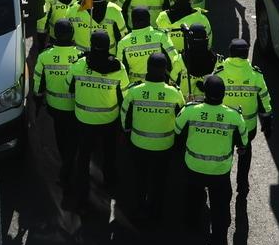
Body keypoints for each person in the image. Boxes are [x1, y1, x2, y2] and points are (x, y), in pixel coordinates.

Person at [175, 74, 248, 245]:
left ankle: (192, 225)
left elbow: (177, 131)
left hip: (193, 167)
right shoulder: (235, 117)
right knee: (220, 208)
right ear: (224, 94)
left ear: (204, 92)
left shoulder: (190, 111)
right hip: (220, 172)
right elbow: (243, 145)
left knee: (192, 198)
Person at [65, 29, 128, 210]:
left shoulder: (78, 65)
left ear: (91, 45)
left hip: (84, 120)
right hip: (109, 120)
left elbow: (69, 87)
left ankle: (82, 198)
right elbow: (124, 95)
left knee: (83, 159)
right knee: (109, 153)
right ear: (109, 46)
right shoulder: (118, 67)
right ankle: (109, 181)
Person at [120, 51, 184, 221]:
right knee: (159, 181)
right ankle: (156, 213)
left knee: (140, 179)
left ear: (147, 68)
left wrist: (127, 134)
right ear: (165, 70)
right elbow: (181, 121)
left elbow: (124, 115)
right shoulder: (174, 93)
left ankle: (138, 210)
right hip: (164, 146)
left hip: (138, 144)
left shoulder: (134, 91)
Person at [213, 38, 272, 198]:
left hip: (224, 126)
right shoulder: (255, 75)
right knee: (245, 154)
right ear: (246, 54)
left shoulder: (219, 72)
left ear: (230, 53)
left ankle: (223, 184)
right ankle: (243, 184)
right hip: (248, 127)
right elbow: (265, 99)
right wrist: (267, 121)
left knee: (224, 154)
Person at [33, 18, 83, 185]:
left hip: (55, 108)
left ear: (55, 34)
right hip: (76, 108)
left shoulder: (44, 56)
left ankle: (66, 166)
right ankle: (70, 166)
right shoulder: (81, 55)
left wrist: (37, 102)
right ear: (72, 34)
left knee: (61, 138)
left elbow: (38, 85)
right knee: (74, 139)